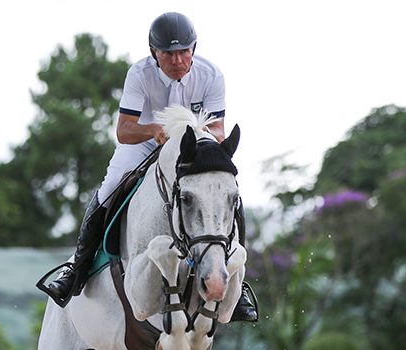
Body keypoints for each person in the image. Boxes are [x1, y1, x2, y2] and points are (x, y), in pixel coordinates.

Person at [47, 12, 258, 322]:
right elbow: (124, 130)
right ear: (153, 53)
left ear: (194, 49)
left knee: (227, 191)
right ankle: (76, 271)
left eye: (184, 51)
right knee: (110, 188)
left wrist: (195, 142)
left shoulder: (212, 75)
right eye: (168, 54)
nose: (177, 60)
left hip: (192, 147)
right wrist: (152, 132)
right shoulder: (139, 74)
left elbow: (218, 131)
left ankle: (235, 282)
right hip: (146, 142)